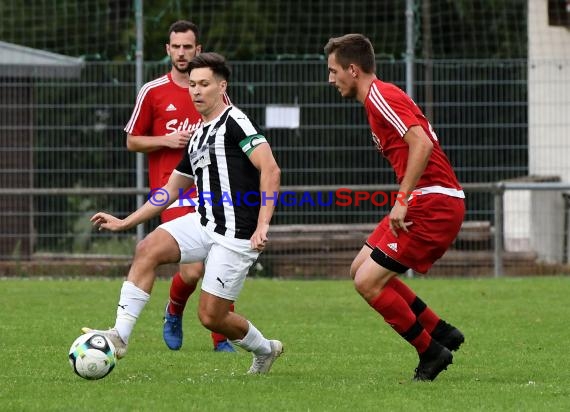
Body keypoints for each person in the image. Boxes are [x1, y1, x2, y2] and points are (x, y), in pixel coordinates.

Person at [84, 52, 283, 374]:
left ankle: (265, 349)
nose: (196, 91)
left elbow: (271, 170)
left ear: (222, 86)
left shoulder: (235, 122)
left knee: (211, 317)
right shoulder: (199, 134)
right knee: (146, 248)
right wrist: (126, 221)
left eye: (204, 84)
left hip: (236, 233)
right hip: (203, 221)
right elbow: (170, 190)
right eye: (192, 84)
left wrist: (263, 225)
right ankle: (119, 336)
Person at [324, 34, 465, 382]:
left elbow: (421, 144)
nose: (330, 79)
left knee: (368, 282)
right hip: (426, 198)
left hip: (433, 202)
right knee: (360, 268)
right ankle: (440, 331)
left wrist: (401, 200)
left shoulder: (380, 96)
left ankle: (431, 352)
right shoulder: (377, 100)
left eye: (333, 71)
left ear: (352, 70)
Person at [124, 20, 235, 352]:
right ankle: (174, 310)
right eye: (177, 47)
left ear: (198, 50)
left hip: (211, 190)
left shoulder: (213, 89)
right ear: (168, 50)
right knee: (192, 270)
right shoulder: (153, 91)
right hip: (171, 191)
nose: (183, 52)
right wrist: (166, 139)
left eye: (189, 47)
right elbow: (132, 141)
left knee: (221, 260)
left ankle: (220, 337)